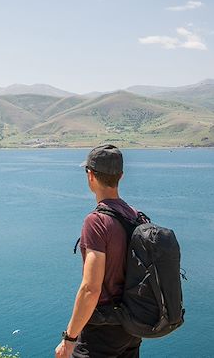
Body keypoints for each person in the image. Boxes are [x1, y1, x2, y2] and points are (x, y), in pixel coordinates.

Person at [55, 144, 142, 358]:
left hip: (102, 330)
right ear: (121, 176)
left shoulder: (97, 222)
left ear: (90, 175)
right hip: (131, 326)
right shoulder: (135, 216)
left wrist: (69, 339)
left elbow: (90, 288)